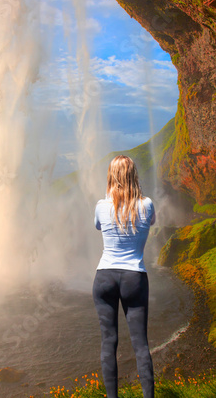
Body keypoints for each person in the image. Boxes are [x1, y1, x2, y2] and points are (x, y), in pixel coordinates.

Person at [92, 155, 156, 398]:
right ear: (133, 175)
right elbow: (151, 221)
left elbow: (99, 226)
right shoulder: (147, 204)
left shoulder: (101, 206)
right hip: (134, 277)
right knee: (140, 345)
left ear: (111, 176)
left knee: (109, 342)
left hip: (104, 277)